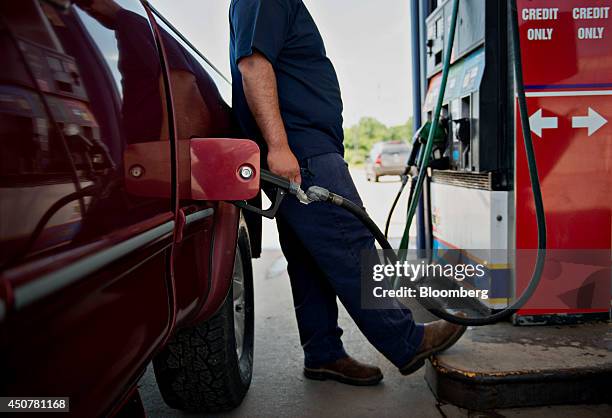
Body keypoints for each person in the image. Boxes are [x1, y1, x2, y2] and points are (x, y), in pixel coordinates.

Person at [230, 0, 465, 386]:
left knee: (310, 261)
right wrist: (279, 145)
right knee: (350, 242)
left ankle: (323, 354)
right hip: (302, 149)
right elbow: (253, 64)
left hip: (300, 147)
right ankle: (406, 339)